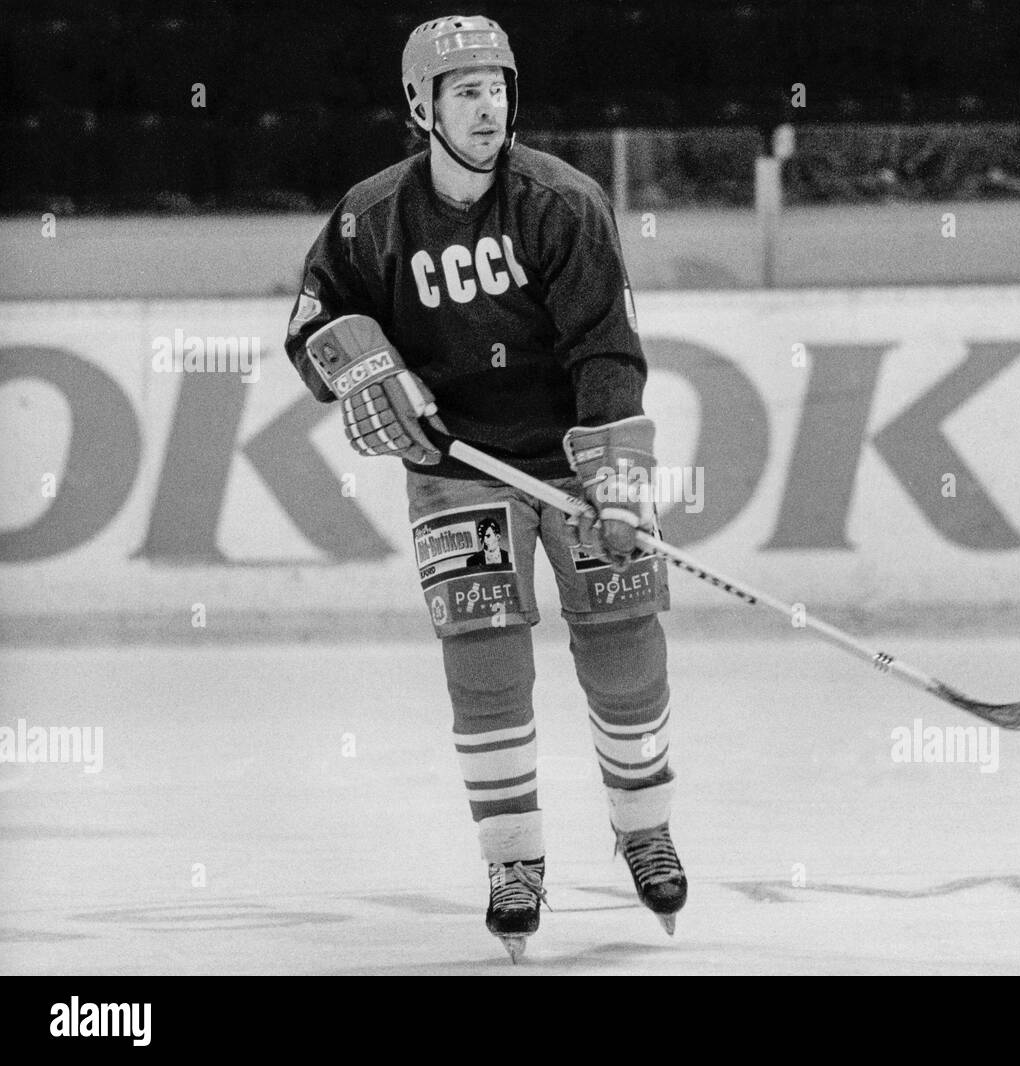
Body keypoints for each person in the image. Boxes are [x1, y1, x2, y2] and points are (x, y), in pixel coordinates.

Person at [283, 14, 685, 961]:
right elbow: (311, 327)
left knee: (623, 640)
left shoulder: (563, 201)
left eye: (497, 88)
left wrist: (618, 480)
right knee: (486, 657)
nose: (487, 107)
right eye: (464, 91)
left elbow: (606, 347)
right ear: (420, 106)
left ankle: (647, 829)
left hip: (571, 460)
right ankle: (514, 860)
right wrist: (358, 368)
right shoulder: (369, 217)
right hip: (457, 467)